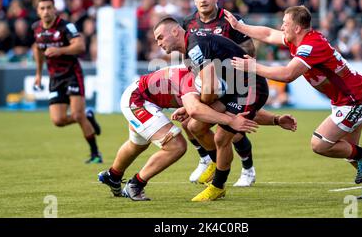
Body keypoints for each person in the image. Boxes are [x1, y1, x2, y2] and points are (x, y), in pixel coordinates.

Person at [225, 6, 362, 199]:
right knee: (348, 150)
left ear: (297, 28)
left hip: (356, 100)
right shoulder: (299, 40)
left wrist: (253, 67)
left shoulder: (310, 46)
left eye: (285, 24)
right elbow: (269, 34)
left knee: (320, 144)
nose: (282, 27)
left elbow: (287, 75)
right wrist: (239, 26)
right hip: (346, 99)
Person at [97, 65, 261, 201]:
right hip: (138, 101)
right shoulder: (192, 84)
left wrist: (276, 119)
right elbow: (197, 109)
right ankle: (135, 185)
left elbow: (239, 110)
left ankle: (113, 176)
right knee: (176, 146)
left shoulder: (205, 81)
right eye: (210, 98)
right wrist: (230, 121)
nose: (211, 100)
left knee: (137, 144)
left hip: (139, 95)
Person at [153, 16, 270, 201]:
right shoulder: (188, 53)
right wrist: (191, 105)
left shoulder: (195, 47)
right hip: (232, 89)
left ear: (175, 31)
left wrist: (195, 105)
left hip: (250, 87)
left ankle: (218, 186)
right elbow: (209, 89)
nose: (159, 43)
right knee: (194, 126)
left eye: (160, 37)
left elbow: (209, 88)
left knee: (222, 137)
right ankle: (217, 164)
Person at [182, 0, 259, 187]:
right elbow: (186, 55)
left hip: (234, 84)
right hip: (206, 84)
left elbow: (249, 51)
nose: (203, 0)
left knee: (232, 132)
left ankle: (248, 170)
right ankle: (206, 160)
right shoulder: (188, 23)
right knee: (190, 124)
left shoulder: (230, 20)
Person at [32, 0, 102, 163]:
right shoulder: (36, 28)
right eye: (42, 8)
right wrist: (39, 74)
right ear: (38, 11)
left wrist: (59, 51)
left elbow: (80, 46)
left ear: (55, 9)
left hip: (72, 75)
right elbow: (38, 49)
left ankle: (95, 154)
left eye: (49, 7)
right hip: (55, 78)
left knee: (77, 115)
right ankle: (88, 115)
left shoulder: (66, 26)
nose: (46, 11)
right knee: (58, 120)